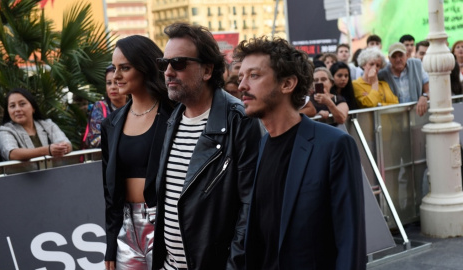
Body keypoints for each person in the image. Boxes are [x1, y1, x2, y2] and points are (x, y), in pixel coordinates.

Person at [234, 36, 366, 270]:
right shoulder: (263, 144)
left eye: (253, 75)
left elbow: (350, 243)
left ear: (287, 84)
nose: (242, 85)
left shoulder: (334, 145)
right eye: (241, 76)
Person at [153, 22, 261, 270]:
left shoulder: (239, 120)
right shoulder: (173, 119)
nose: (168, 71)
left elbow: (250, 209)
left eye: (178, 63)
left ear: (207, 70)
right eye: (164, 63)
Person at [101, 35, 174, 270]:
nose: (116, 76)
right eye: (114, 68)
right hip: (126, 228)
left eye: (125, 68)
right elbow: (110, 193)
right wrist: (111, 244)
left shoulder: (176, 113)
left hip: (167, 224)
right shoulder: (111, 124)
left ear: (144, 67)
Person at [0, 88, 72, 161]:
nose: (17, 109)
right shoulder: (4, 131)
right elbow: (12, 153)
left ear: (33, 108)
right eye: (12, 106)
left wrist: (65, 147)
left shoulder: (48, 125)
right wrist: (47, 150)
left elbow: (66, 143)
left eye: (22, 104)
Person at [378, 42, 430, 116]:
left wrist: (424, 97)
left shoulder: (416, 65)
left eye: (400, 55)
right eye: (394, 56)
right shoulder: (383, 74)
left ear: (407, 56)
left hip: (417, 115)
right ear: (389, 59)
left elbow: (429, 90)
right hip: (394, 117)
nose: (398, 59)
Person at [85, 65, 128, 148]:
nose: (112, 87)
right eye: (109, 83)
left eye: (116, 83)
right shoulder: (100, 107)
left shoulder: (134, 106)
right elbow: (94, 140)